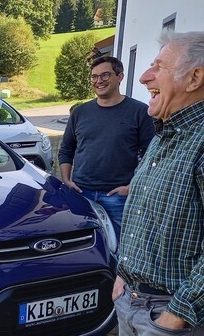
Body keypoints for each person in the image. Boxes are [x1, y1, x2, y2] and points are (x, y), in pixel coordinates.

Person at [113, 31, 204, 336]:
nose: (144, 76)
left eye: (159, 67)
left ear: (195, 78)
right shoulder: (165, 133)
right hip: (134, 301)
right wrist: (124, 276)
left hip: (174, 318)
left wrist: (176, 316)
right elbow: (144, 215)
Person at [58, 55, 155, 239]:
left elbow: (152, 156)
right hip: (81, 194)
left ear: (120, 77)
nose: (99, 81)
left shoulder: (140, 112)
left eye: (105, 75)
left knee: (121, 246)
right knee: (85, 246)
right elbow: (66, 149)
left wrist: (131, 186)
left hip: (119, 197)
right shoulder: (80, 112)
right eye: (94, 77)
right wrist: (66, 180)